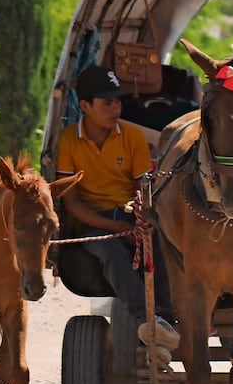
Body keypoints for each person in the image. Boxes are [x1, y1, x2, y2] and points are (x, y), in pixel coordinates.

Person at [56, 65, 178, 367]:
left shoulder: (132, 137)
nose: (115, 108)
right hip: (93, 220)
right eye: (106, 102)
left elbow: (145, 189)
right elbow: (71, 202)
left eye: (117, 101)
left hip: (130, 212)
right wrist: (112, 226)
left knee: (160, 243)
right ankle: (146, 322)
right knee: (110, 251)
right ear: (84, 106)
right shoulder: (69, 140)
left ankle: (167, 319)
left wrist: (140, 221)